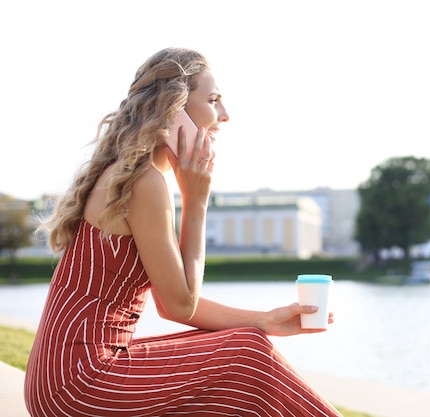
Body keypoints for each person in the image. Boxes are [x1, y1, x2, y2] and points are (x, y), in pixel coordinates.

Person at [24, 47, 341, 417]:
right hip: (79, 383)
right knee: (248, 355)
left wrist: (263, 320)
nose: (224, 115)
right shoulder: (144, 183)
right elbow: (180, 305)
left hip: (69, 378)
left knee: (248, 346)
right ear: (175, 111)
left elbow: (171, 301)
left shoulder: (136, 177)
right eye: (213, 100)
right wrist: (197, 199)